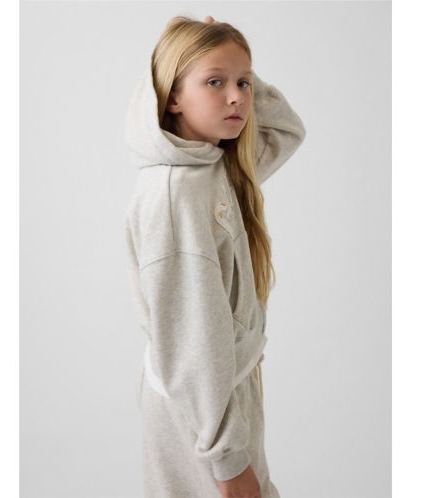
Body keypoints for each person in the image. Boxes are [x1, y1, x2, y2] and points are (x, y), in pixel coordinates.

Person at [124, 14, 306, 498]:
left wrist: (227, 62)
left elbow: (286, 130)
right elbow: (191, 339)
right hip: (200, 411)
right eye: (214, 82)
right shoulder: (174, 197)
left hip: (220, 397)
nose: (238, 97)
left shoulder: (215, 163)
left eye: (243, 83)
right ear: (172, 97)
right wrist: (227, 458)